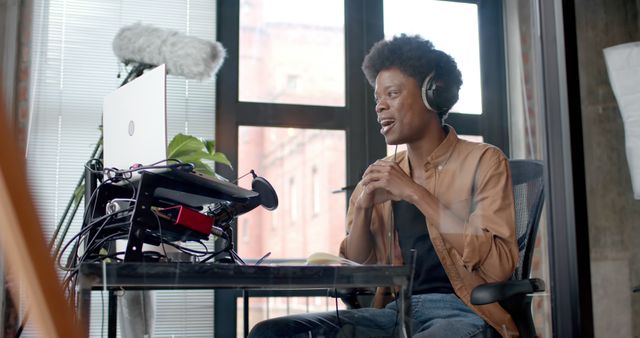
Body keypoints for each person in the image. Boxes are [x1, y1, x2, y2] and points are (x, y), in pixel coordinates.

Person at [249, 34, 519, 338]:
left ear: (433, 95)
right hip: (392, 313)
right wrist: (363, 209)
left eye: (392, 94)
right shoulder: (382, 172)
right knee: (271, 331)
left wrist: (415, 194)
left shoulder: (485, 161)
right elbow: (358, 268)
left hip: (462, 312)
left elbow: (499, 267)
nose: (380, 107)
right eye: (378, 98)